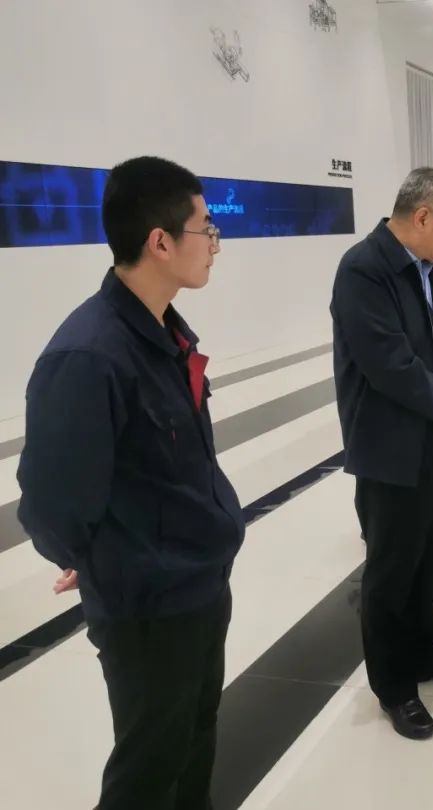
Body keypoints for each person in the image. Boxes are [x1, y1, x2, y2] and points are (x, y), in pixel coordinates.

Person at [16, 156, 242, 810]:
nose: (215, 244)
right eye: (206, 229)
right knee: (148, 767)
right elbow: (52, 503)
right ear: (160, 242)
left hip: (199, 582)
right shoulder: (89, 356)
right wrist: (97, 557)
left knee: (193, 741)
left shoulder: (165, 334)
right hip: (148, 607)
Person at [331, 167, 433, 741]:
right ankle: (394, 684)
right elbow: (391, 368)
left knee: (429, 562)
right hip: (391, 452)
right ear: (423, 217)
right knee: (391, 574)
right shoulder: (364, 271)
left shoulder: (432, 271)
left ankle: (425, 651)